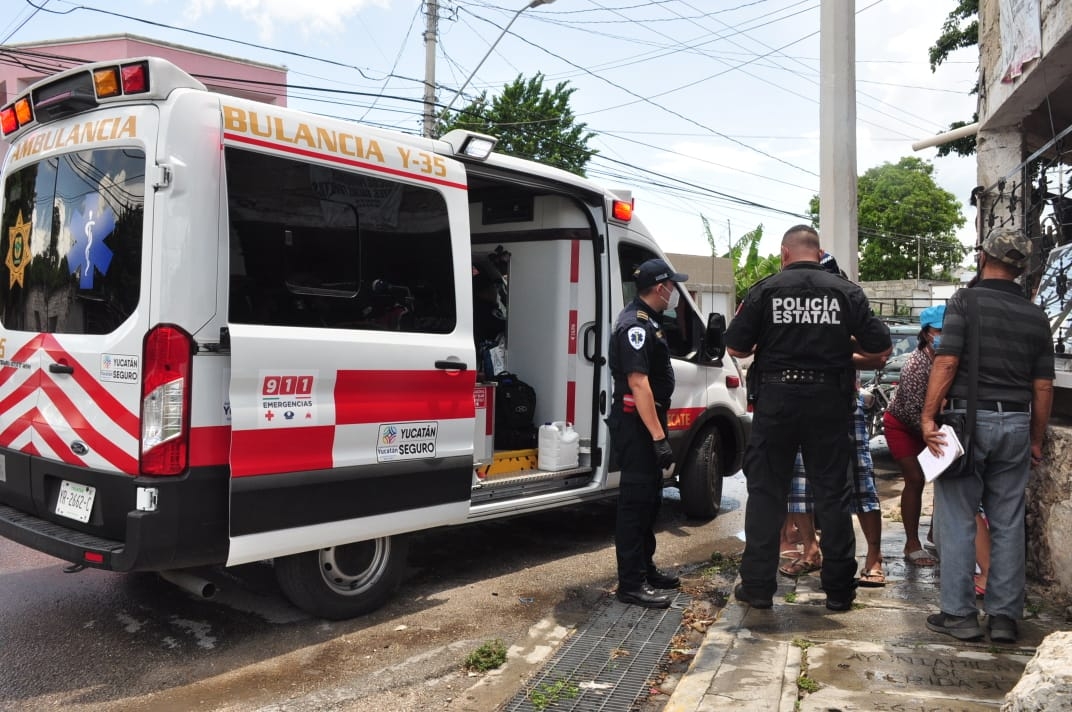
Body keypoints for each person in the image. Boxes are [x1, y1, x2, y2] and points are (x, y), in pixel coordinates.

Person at [726, 224, 892, 611]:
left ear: (785, 254)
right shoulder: (847, 292)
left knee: (767, 493)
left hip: (777, 400)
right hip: (828, 402)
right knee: (834, 493)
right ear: (819, 254)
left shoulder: (764, 290)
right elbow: (880, 345)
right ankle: (838, 591)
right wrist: (838, 342)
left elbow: (736, 344)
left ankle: (758, 588)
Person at [921, 226, 1054, 644]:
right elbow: (1044, 387)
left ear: (984, 256)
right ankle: (1003, 618)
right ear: (1021, 268)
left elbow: (946, 362)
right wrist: (1035, 439)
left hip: (967, 424)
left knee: (959, 517)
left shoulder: (965, 301)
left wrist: (927, 419)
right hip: (1016, 423)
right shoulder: (1037, 316)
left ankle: (959, 615)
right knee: (1009, 520)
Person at [608, 257, 688, 608]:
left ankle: (645, 568)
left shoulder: (650, 320)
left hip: (647, 422)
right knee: (634, 504)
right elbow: (638, 384)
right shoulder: (635, 326)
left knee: (651, 500)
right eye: (672, 285)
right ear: (660, 288)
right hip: (636, 425)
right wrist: (658, 439)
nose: (674, 291)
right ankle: (630, 584)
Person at [883, 304, 945, 567]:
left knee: (945, 480)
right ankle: (911, 543)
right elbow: (910, 411)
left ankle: (935, 533)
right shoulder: (916, 364)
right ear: (926, 333)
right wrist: (930, 435)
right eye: (940, 330)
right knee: (916, 479)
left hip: (932, 426)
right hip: (903, 425)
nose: (945, 334)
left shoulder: (948, 359)